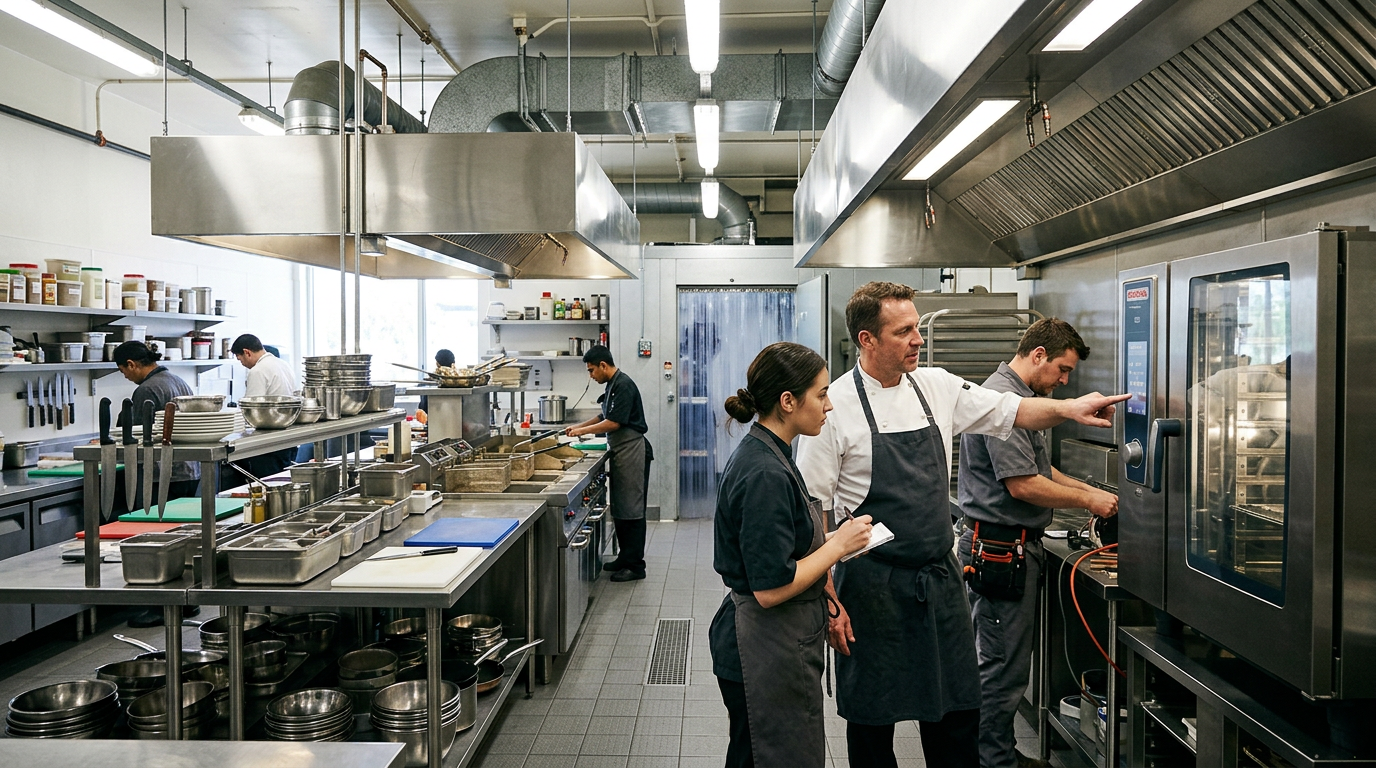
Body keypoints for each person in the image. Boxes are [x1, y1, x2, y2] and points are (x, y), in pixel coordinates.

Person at [795, 282, 1127, 768]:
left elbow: (1013, 409)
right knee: (872, 722)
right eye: (904, 330)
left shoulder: (936, 387)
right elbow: (815, 511)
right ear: (867, 340)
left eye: (917, 327)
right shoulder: (835, 406)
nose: (918, 339)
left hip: (939, 578)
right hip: (870, 586)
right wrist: (828, 599)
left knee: (956, 713)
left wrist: (1070, 407)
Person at [956, 318, 1119, 768]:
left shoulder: (1022, 400)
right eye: (1063, 370)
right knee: (1002, 668)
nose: (1065, 381)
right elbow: (1023, 485)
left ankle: (998, 753)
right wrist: (1089, 497)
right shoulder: (1002, 401)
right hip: (999, 552)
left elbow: (1042, 472)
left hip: (1010, 548)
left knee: (1005, 664)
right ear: (1038, 355)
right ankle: (993, 762)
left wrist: (1091, 493)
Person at [709, 341, 874, 768]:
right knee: (770, 757)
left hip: (778, 640)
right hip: (762, 644)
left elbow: (788, 545)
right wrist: (837, 546)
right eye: (820, 394)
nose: (829, 405)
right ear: (787, 401)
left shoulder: (773, 452)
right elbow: (770, 587)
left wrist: (831, 566)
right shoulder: (763, 470)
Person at [112, 340, 201, 627]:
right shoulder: (178, 381)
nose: (125, 376)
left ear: (132, 364)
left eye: (124, 371)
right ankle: (187, 603)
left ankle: (159, 607)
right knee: (182, 541)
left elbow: (137, 437)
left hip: (162, 474)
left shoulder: (147, 389)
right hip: (188, 470)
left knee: (157, 542)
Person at [565, 345, 653, 582]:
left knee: (632, 509)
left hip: (633, 450)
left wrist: (582, 431)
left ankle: (636, 566)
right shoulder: (612, 385)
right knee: (622, 508)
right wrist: (578, 427)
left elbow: (614, 423)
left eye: (592, 370)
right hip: (621, 452)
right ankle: (625, 558)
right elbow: (604, 416)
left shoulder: (623, 384)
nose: (591, 375)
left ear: (603, 365)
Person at [231, 333, 299, 476]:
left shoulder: (258, 370)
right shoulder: (283, 364)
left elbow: (251, 410)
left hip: (268, 443)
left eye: (240, 359)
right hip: (288, 437)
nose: (242, 364)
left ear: (247, 352)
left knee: (267, 487)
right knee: (282, 483)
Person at [417, 349, 456, 415]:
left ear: (437, 363)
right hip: (455, 419)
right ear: (453, 363)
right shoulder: (459, 382)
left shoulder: (426, 384)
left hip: (431, 419)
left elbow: (423, 409)